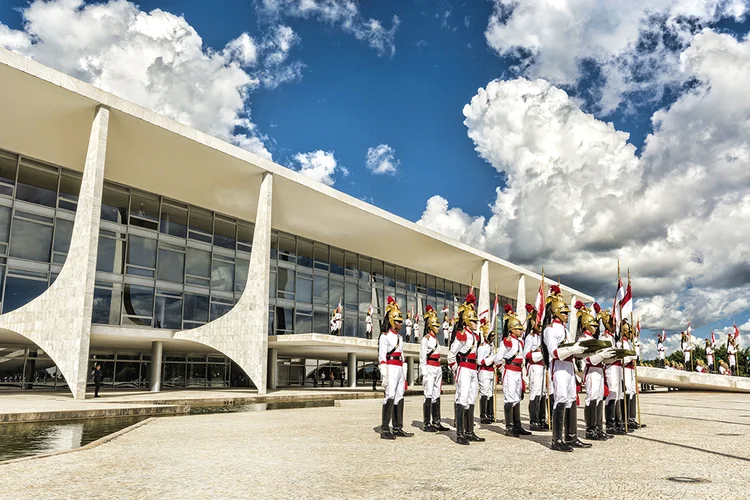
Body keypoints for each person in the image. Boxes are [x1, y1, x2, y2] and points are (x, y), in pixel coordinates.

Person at [543, 288, 590, 452]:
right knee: (561, 397)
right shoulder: (549, 329)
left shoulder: (564, 329)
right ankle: (557, 439)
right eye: (564, 312)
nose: (567, 315)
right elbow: (553, 352)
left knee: (571, 398)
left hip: (569, 366)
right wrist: (573, 349)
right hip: (559, 366)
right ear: (556, 313)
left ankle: (571, 436)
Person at [447, 291, 484, 445]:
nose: (476, 323)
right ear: (468, 322)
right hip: (464, 368)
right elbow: (451, 354)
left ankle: (470, 431)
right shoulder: (461, 334)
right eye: (474, 321)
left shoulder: (475, 336)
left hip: (473, 370)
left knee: (472, 397)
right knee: (462, 398)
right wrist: (456, 370)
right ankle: (460, 434)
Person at [576, 302, 615, 441]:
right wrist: (603, 355)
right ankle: (590, 429)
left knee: (599, 398)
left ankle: (598, 428)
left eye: (596, 326)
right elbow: (588, 359)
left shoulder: (593, 339)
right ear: (586, 325)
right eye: (593, 325)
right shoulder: (583, 339)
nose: (595, 328)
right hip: (592, 370)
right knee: (592, 398)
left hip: (599, 370)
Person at [494, 305, 532, 437]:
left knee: (516, 398)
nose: (521, 331)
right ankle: (509, 427)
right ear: (511, 330)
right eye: (518, 329)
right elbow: (498, 358)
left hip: (517, 372)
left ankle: (517, 425)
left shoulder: (519, 342)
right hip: (510, 372)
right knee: (510, 398)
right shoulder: (507, 342)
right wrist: (503, 369)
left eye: (521, 329)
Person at [378, 296, 413, 440]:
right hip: (390, 367)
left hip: (399, 367)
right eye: (398, 321)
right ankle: (385, 428)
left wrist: (404, 376)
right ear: (392, 321)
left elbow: (403, 357)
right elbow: (381, 358)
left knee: (399, 395)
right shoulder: (384, 336)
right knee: (390, 395)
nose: (401, 323)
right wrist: (384, 376)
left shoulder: (400, 338)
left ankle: (398, 427)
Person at [596, 304, 626, 435]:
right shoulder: (604, 337)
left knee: (619, 394)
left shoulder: (613, 338)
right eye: (613, 324)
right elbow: (604, 355)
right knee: (612, 393)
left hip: (617, 367)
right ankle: (610, 423)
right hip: (610, 367)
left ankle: (618, 421)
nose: (615, 327)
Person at [419, 305, 449, 432]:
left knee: (437, 394)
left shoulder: (435, 340)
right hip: (430, 368)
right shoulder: (425, 340)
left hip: (437, 368)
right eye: (436, 326)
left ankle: (437, 422)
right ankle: (426, 423)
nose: (439, 328)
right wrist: (424, 373)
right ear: (430, 326)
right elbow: (422, 358)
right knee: (429, 394)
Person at [523, 303, 548, 431]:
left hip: (542, 367)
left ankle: (542, 419)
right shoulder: (530, 338)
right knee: (535, 392)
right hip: (535, 366)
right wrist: (540, 354)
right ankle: (534, 421)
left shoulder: (542, 337)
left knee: (543, 393)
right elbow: (526, 354)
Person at [476, 317, 496, 424]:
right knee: (484, 392)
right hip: (484, 371)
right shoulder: (482, 347)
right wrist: (492, 359)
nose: (493, 338)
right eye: (491, 336)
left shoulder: (491, 346)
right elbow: (479, 361)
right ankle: (483, 415)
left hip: (491, 371)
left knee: (490, 393)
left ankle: (490, 414)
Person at [621, 321, 639, 430]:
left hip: (631, 369)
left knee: (632, 391)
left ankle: (631, 418)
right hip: (626, 369)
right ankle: (625, 419)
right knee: (627, 391)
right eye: (631, 332)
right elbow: (622, 358)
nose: (632, 335)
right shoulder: (622, 343)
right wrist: (631, 357)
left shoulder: (628, 343)